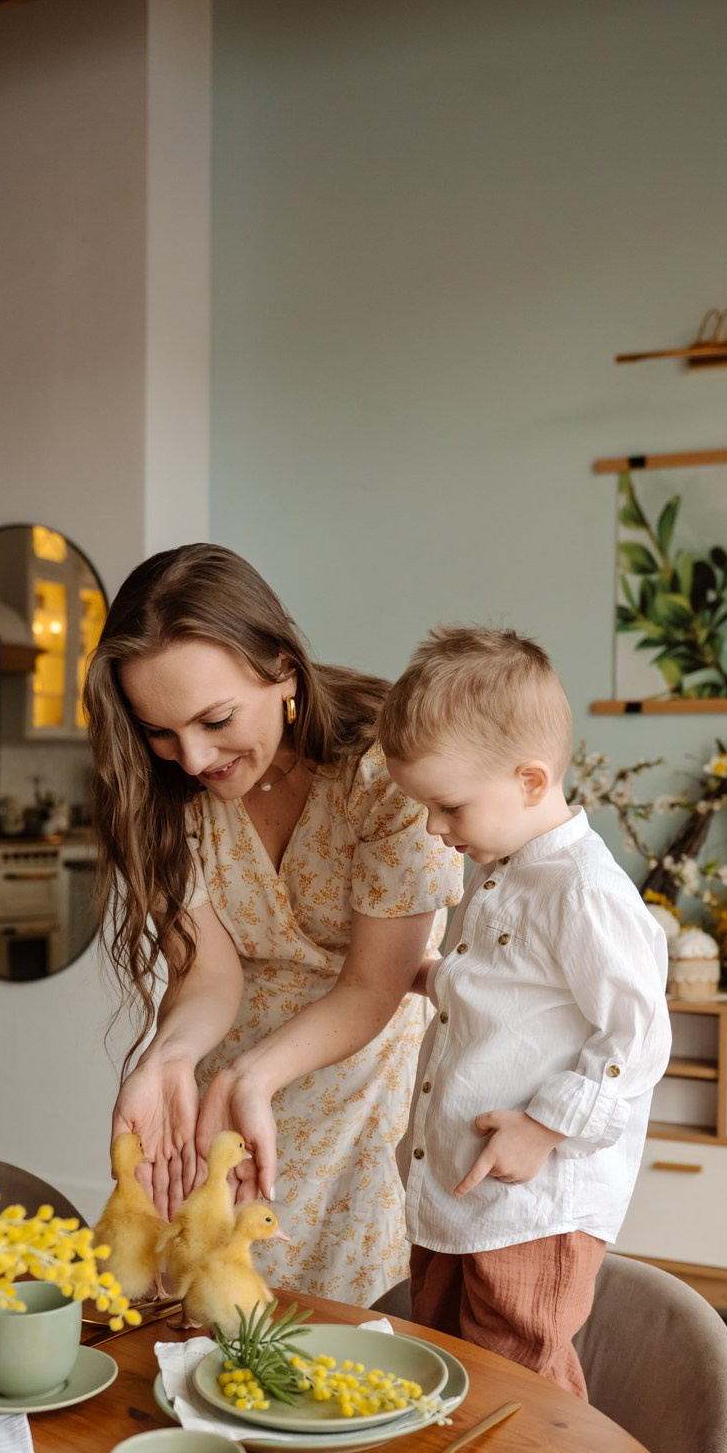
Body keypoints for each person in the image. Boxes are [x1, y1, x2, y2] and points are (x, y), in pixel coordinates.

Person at [83, 545, 464, 1304]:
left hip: (363, 1083)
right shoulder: (158, 791)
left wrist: (251, 1075)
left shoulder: (385, 772)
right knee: (205, 1329)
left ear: (284, 670)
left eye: (215, 719)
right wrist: (172, 1055)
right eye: (159, 731)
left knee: (345, 1343)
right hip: (226, 1085)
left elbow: (371, 985)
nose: (191, 757)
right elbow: (208, 970)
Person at [379, 625, 671, 1394]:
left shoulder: (583, 890)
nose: (435, 829)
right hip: (458, 1188)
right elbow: (508, 998)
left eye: (447, 807)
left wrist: (545, 1126)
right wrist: (430, 978)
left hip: (533, 1206)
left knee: (519, 1381)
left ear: (532, 781)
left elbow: (636, 1035)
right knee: (443, 1364)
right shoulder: (509, 871)